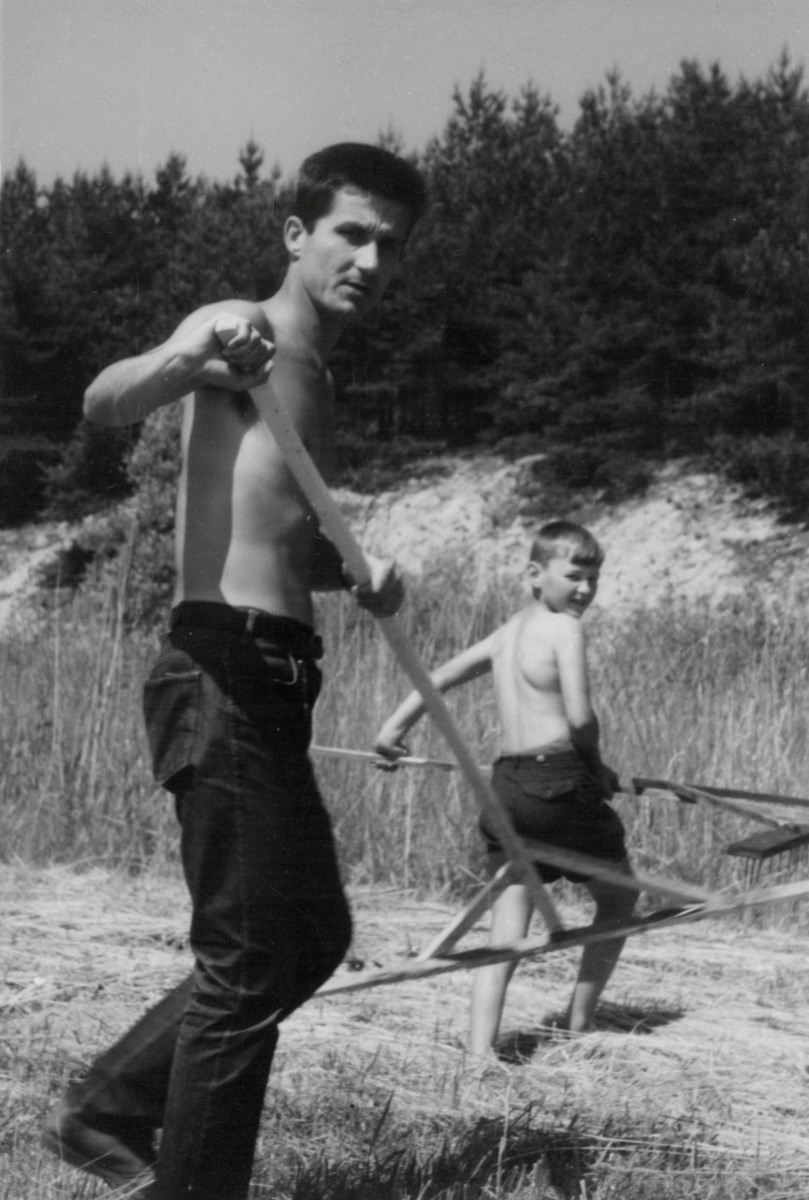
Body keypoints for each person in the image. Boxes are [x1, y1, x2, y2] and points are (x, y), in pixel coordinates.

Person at [43, 143, 427, 1200]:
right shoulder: (238, 327)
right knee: (250, 956)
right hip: (219, 663)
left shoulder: (319, 377)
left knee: (309, 936)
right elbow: (103, 400)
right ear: (297, 235)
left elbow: (285, 538)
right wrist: (191, 355)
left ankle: (105, 1109)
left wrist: (360, 577)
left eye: (390, 245)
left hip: (277, 674)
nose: (370, 260)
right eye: (352, 233)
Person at [374, 520, 636, 1057]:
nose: (585, 589)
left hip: (508, 788)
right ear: (535, 574)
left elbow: (437, 678)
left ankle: (478, 1057)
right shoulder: (565, 629)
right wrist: (598, 769)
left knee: (506, 932)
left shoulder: (506, 633)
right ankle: (578, 1025)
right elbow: (581, 718)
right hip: (560, 781)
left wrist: (391, 730)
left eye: (594, 578)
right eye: (574, 576)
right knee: (620, 898)